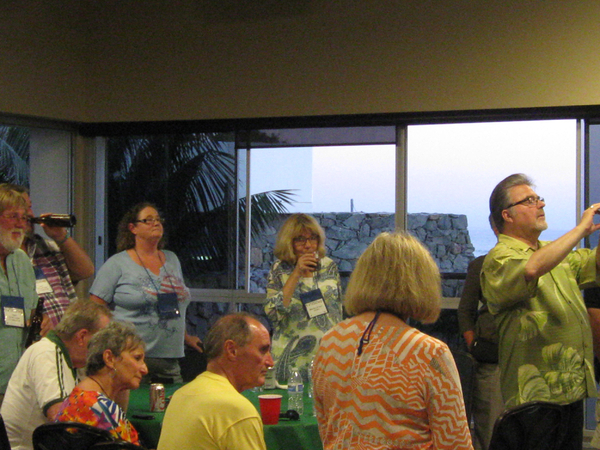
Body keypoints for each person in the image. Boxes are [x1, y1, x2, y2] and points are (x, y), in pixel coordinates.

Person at [313, 232, 473, 450]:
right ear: (421, 282)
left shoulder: (330, 341)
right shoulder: (428, 353)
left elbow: (326, 428)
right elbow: (455, 444)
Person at [481, 173, 600, 450]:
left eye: (539, 199)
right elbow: (531, 269)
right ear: (507, 216)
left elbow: (595, 263)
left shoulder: (552, 252)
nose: (541, 205)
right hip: (534, 398)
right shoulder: (499, 258)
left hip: (570, 391)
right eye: (530, 200)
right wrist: (580, 230)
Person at [90, 202, 202, 384]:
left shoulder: (172, 259)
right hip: (131, 357)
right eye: (148, 220)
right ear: (133, 228)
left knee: (168, 408)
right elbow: (95, 307)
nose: (156, 223)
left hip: (169, 358)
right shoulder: (117, 263)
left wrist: (187, 337)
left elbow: (174, 304)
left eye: (158, 220)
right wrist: (112, 341)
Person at [1, 300, 112, 450]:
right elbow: (60, 419)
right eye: (102, 341)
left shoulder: (74, 362)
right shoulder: (46, 352)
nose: (105, 348)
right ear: (82, 337)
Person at [157, 313, 272, 450]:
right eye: (263, 350)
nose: (270, 362)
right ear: (231, 350)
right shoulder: (236, 410)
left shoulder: (180, 395)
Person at [265, 213, 343, 385]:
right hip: (290, 358)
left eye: (313, 238)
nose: (308, 245)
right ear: (289, 242)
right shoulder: (279, 269)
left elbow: (338, 311)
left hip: (327, 358)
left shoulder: (328, 266)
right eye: (300, 239)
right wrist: (297, 273)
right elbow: (273, 312)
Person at [8, 184, 94, 333]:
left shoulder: (47, 247)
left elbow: (85, 271)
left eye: (29, 207)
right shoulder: (6, 256)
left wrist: (61, 237)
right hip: (27, 346)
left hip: (65, 343)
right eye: (19, 211)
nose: (28, 215)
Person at [55, 321, 147, 445]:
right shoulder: (103, 408)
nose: (145, 369)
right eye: (137, 358)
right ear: (109, 358)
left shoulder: (76, 397)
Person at [457, 216, 503, 450]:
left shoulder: (538, 263)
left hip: (526, 360)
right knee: (490, 427)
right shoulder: (481, 265)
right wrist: (473, 343)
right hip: (491, 359)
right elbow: (465, 310)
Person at [0, 185, 37, 402]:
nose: (20, 224)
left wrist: (39, 321)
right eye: (12, 216)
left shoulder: (22, 260)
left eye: (23, 218)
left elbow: (31, 311)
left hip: (19, 381)